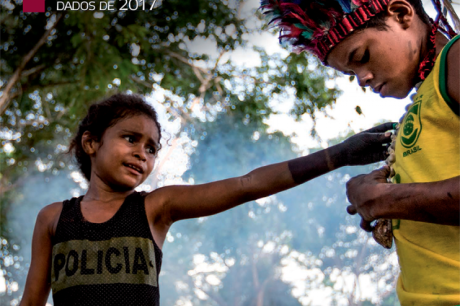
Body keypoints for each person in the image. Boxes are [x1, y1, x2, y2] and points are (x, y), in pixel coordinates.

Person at [18, 93, 393, 305]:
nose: (142, 154)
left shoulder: (154, 207)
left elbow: (248, 184)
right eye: (130, 138)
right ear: (91, 142)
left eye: (151, 148)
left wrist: (338, 154)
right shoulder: (53, 218)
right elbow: (32, 302)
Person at [260, 0, 460, 304]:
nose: (362, 79)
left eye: (362, 56)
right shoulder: (426, 97)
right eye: (349, 72)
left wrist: (385, 200)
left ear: (402, 13)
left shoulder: (457, 61)